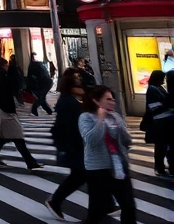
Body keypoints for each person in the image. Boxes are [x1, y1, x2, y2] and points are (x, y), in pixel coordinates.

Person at [79, 85, 137, 223]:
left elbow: (126, 141)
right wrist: (100, 120)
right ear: (96, 101)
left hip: (119, 166)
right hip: (98, 168)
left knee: (128, 205)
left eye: (113, 99)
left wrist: (121, 128)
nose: (112, 102)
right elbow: (90, 140)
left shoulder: (115, 116)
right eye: (108, 99)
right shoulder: (85, 117)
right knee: (98, 210)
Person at [46, 69, 89, 219]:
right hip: (74, 146)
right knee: (81, 175)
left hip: (74, 145)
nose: (82, 88)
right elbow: (68, 127)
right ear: (72, 87)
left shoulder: (69, 100)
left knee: (83, 175)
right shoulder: (69, 103)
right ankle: (55, 200)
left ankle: (106, 204)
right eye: (78, 85)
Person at [0, 57, 44, 170]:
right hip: (6, 110)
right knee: (17, 136)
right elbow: (7, 91)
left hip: (3, 109)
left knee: (4, 136)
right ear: (4, 65)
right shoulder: (1, 76)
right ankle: (30, 162)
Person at [144, 69, 174, 176]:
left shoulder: (159, 88)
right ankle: (159, 168)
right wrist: (167, 105)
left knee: (163, 145)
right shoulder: (152, 89)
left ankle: (162, 166)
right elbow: (155, 107)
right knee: (161, 146)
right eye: (162, 78)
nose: (164, 80)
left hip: (164, 120)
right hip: (159, 122)